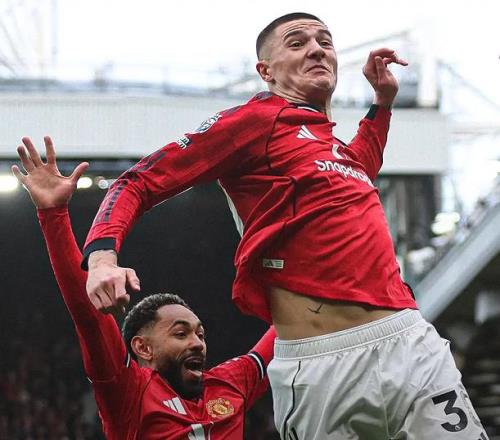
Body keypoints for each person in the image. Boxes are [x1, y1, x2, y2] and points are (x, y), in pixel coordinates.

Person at [78, 11, 486, 439]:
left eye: (325, 41)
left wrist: (381, 105)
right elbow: (138, 181)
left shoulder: (333, 149)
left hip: (408, 343)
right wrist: (102, 257)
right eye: (297, 42)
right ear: (266, 71)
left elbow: (357, 169)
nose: (316, 49)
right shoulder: (254, 121)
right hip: (319, 366)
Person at [12, 136, 276, 440]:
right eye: (180, 333)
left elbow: (291, 324)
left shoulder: (229, 384)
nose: (197, 343)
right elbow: (88, 316)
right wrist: (54, 214)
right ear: (143, 348)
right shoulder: (130, 394)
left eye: (200, 334)